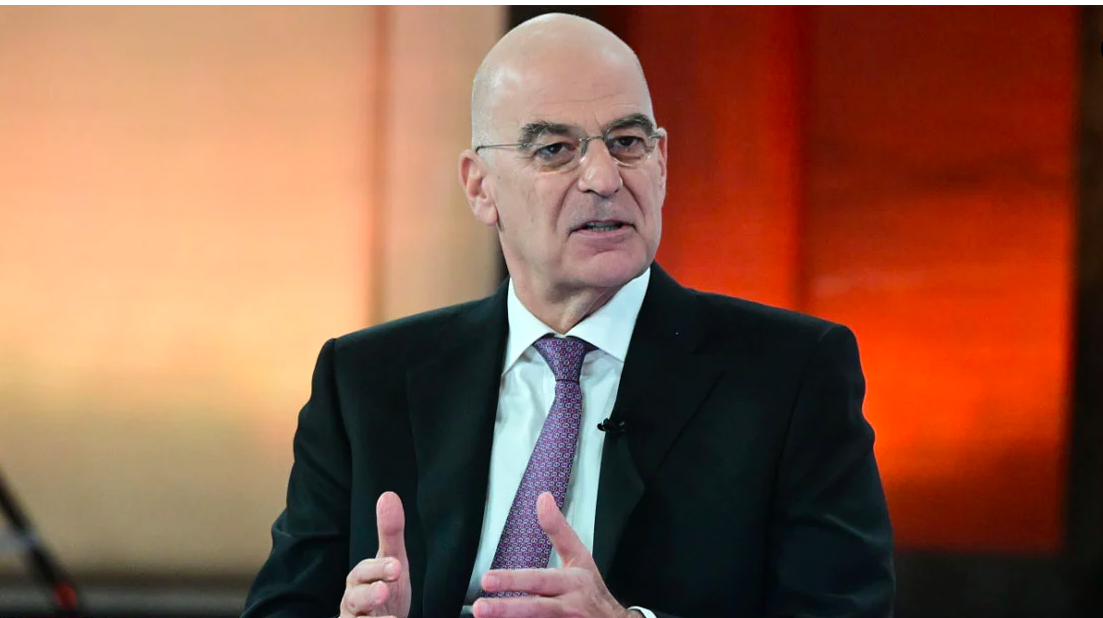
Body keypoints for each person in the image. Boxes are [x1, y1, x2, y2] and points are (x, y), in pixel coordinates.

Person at [241, 13, 894, 618]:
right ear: (480, 187)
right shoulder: (364, 380)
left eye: (627, 142)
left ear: (662, 163)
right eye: (555, 149)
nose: (604, 178)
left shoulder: (789, 375)